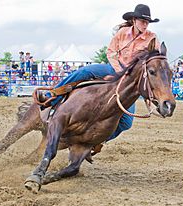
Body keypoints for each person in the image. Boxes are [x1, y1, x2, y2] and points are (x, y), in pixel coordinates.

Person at [37, 4, 160, 142]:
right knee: (85, 71)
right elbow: (111, 52)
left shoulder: (152, 38)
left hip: (131, 79)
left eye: (147, 22)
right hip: (115, 67)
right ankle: (52, 95)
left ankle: (96, 141)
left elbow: (154, 62)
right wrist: (119, 71)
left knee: (126, 123)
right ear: (134, 20)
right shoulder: (123, 32)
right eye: (143, 21)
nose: (145, 25)